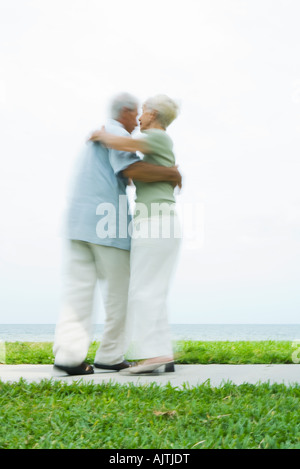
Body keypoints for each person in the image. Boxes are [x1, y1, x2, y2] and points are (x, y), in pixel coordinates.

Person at [53, 92, 182, 376]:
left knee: (78, 292)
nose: (137, 119)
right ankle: (113, 355)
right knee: (123, 293)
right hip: (106, 226)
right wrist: (172, 174)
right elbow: (133, 170)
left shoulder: (103, 137)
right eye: (135, 112)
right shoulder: (115, 133)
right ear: (125, 111)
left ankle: (69, 356)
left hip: (78, 223)